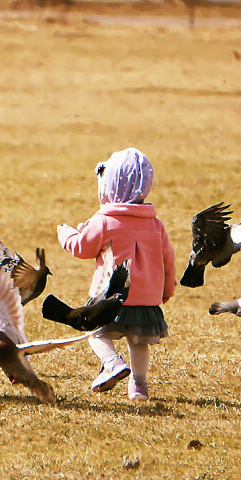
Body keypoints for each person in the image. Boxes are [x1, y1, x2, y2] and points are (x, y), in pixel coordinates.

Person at [57, 148, 175, 401]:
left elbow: (83, 248)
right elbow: (168, 260)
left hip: (111, 297)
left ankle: (112, 363)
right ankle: (139, 386)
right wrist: (167, 289)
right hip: (146, 298)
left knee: (94, 332)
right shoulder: (155, 224)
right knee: (139, 341)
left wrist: (66, 235)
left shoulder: (105, 220)